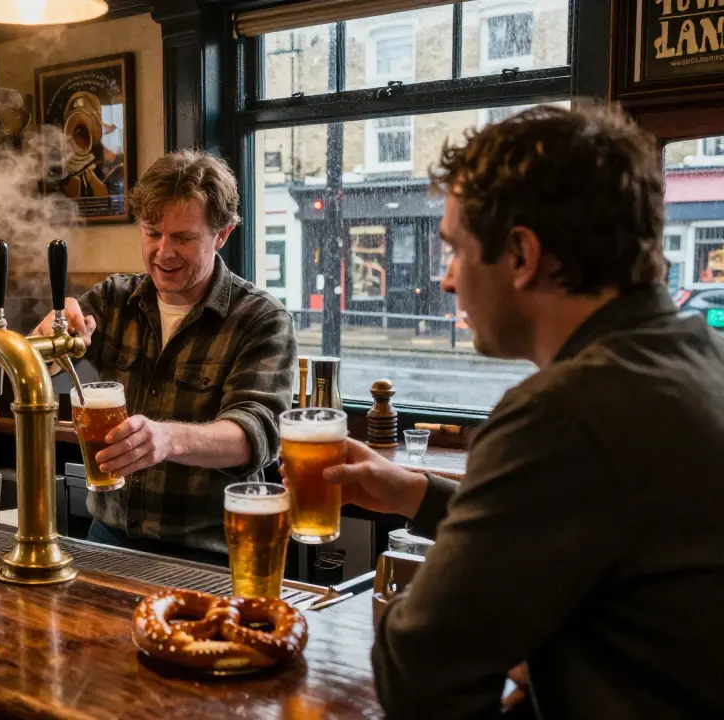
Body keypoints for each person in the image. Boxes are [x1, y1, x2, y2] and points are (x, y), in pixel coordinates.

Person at [284, 104, 724, 717]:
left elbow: (421, 666)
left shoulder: (564, 412)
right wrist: (416, 493)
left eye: (455, 250)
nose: (446, 280)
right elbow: (577, 523)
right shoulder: (697, 354)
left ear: (522, 255)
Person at [34, 150, 298, 561]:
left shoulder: (260, 318)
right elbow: (59, 381)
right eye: (153, 232)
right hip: (107, 537)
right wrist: (51, 345)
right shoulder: (113, 299)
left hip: (208, 554)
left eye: (183, 238)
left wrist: (166, 439)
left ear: (221, 235)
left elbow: (258, 434)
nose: (163, 252)